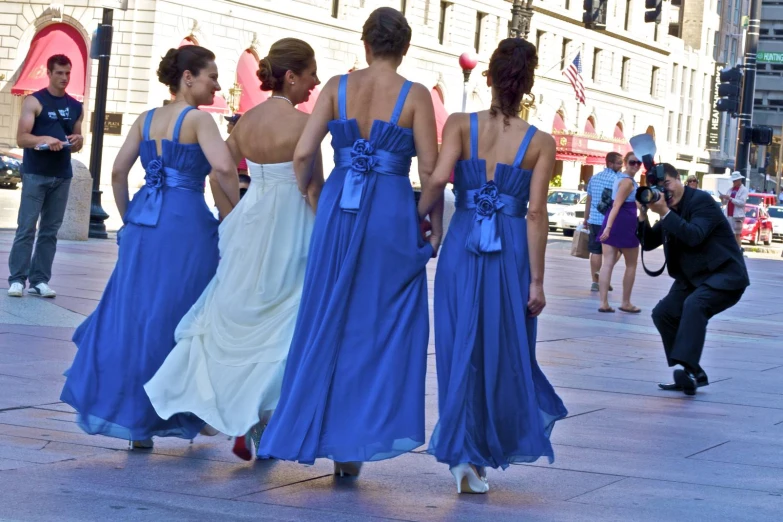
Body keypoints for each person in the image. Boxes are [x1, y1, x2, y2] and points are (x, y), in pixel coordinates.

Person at [257, 7, 439, 477]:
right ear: (404, 48)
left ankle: (316, 428)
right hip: (390, 213)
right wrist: (424, 219)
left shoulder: (337, 86)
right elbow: (432, 175)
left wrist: (317, 195)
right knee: (376, 327)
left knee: (326, 317)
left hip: (340, 207)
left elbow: (303, 153)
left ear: (365, 44)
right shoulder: (415, 95)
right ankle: (352, 445)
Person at [144, 38, 320, 461]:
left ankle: (238, 413)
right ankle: (257, 416)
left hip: (253, 217)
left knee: (238, 311)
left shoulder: (245, 122)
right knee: (285, 319)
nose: (315, 83)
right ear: (291, 76)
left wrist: (233, 217)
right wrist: (324, 224)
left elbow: (215, 173)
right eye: (311, 73)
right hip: (293, 220)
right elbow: (311, 184)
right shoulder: (303, 126)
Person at [60, 46, 239, 448]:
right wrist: (237, 215)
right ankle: (190, 410)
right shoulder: (198, 120)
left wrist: (129, 218)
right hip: (185, 225)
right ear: (188, 77)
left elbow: (119, 172)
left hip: (144, 223)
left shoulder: (146, 119)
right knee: (187, 315)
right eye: (212, 76)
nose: (217, 84)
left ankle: (138, 424)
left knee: (137, 317)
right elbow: (225, 168)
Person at [417, 38, 567, 494]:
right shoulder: (541, 142)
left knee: (458, 347)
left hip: (464, 245)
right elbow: (537, 213)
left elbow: (438, 178)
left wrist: (419, 217)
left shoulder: (461, 125)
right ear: (529, 86)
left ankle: (463, 453)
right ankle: (477, 453)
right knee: (504, 353)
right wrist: (537, 280)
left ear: (488, 78)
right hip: (511, 254)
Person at [637, 163, 749, 395]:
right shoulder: (668, 209)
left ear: (679, 179)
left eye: (667, 184)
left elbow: (694, 236)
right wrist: (642, 215)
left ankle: (689, 373)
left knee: (695, 304)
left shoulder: (701, 202)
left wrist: (665, 213)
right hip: (693, 279)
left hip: (724, 276)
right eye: (659, 187)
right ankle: (693, 371)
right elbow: (648, 243)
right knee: (663, 313)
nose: (665, 191)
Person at [8, 54, 84, 298]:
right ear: (49, 73)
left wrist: (78, 140)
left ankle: (40, 280)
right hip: (35, 174)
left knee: (50, 231)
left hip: (62, 175)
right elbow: (22, 138)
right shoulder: (34, 101)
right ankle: (17, 279)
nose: (64, 77)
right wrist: (44, 139)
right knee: (27, 227)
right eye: (59, 73)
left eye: (68, 73)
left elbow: (77, 142)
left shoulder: (75, 106)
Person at [597, 152, 641, 314]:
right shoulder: (628, 182)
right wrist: (608, 228)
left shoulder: (619, 178)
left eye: (638, 163)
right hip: (624, 222)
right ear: (625, 162)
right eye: (632, 162)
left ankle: (604, 302)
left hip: (614, 219)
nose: (635, 165)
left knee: (607, 262)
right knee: (631, 263)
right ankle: (625, 302)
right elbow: (617, 205)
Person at [583, 152, 623, 292]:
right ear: (610, 163)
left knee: (595, 251)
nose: (621, 165)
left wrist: (585, 218)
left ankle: (596, 282)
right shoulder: (618, 180)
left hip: (594, 220)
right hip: (610, 222)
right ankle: (603, 277)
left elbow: (588, 200)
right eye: (619, 163)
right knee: (617, 250)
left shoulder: (594, 178)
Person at [719, 171, 748, 248]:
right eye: (733, 180)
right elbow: (725, 203)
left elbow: (741, 203)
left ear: (739, 180)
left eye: (735, 180)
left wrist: (730, 198)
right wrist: (722, 198)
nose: (734, 182)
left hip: (737, 216)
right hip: (729, 214)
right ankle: (732, 249)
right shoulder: (730, 190)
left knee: (737, 234)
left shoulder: (744, 190)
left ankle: (738, 250)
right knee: (730, 234)